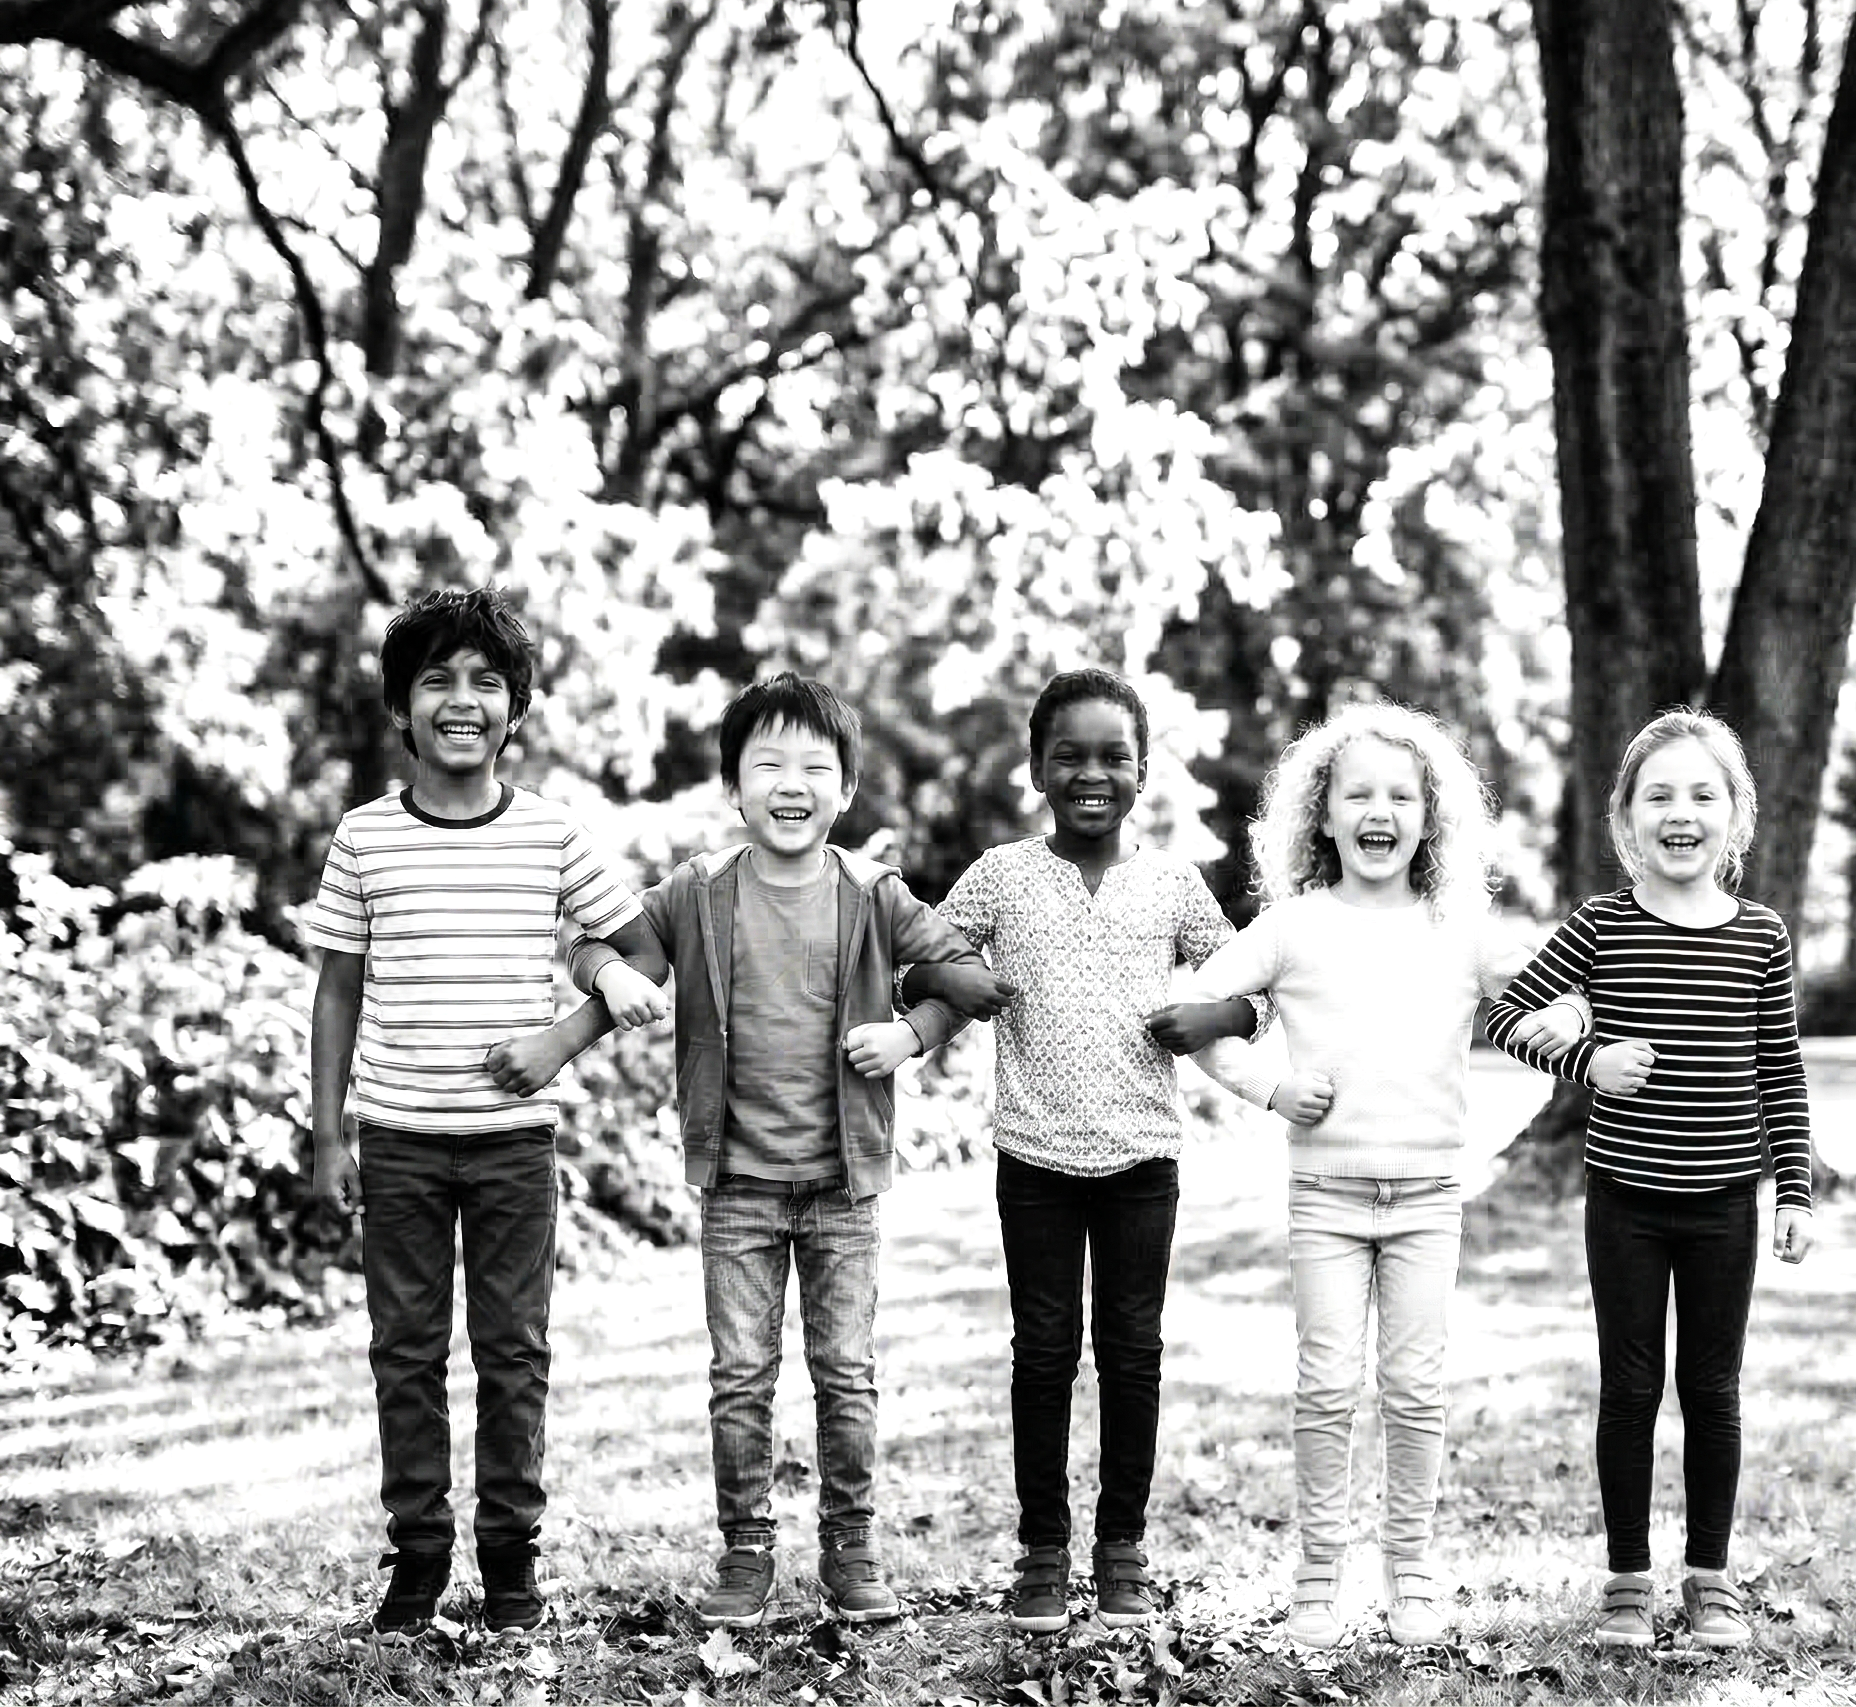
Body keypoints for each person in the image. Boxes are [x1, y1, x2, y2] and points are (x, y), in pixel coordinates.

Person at [561, 673, 1006, 1629]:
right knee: (739, 1377)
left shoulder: (872, 894)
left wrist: (910, 1034)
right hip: (738, 1185)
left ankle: (851, 1549)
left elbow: (973, 978)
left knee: (845, 1372)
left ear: (845, 789)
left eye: (814, 765)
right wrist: (607, 974)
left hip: (844, 1184)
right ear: (735, 788)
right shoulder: (697, 892)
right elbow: (598, 941)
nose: (790, 782)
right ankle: (746, 1550)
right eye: (767, 763)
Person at [1149, 700, 1586, 1652]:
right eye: (1359, 794)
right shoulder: (1292, 926)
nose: (1379, 810)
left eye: (1401, 794)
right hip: (1326, 1199)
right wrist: (1270, 1085)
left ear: (1430, 818)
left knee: (1418, 1390)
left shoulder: (1460, 927)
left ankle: (1413, 1573)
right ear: (1325, 815)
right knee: (1325, 1386)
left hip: (1431, 1198)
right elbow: (1189, 1010)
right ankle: (1317, 1580)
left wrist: (1578, 1020)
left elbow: (1544, 998)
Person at [306, 586, 671, 1640]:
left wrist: (562, 1036)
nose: (460, 700)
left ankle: (512, 1564)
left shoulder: (551, 833)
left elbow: (640, 950)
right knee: (405, 1352)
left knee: (513, 1352)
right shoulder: (366, 838)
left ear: (517, 709)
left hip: (515, 1147)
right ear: (398, 706)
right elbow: (337, 986)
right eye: (436, 680)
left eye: (485, 683)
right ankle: (417, 1560)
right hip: (401, 1139)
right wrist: (330, 1133)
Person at [892, 668, 1266, 1636]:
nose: (1090, 772)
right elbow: (912, 956)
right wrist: (954, 977)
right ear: (1035, 767)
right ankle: (1043, 1551)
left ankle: (1123, 1546)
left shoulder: (1171, 883)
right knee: (1044, 1352)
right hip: (1035, 1158)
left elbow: (1249, 981)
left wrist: (1214, 1010)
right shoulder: (1001, 874)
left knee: (1131, 1351)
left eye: (1112, 755)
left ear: (1141, 771)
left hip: (1142, 1158)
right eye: (1069, 754)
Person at [1483, 709, 1812, 1653]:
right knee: (1630, 1388)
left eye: (1703, 794)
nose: (1682, 811)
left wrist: (1792, 1189)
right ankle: (1628, 1580)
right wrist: (1586, 1060)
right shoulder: (1600, 925)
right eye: (1658, 794)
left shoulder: (1761, 935)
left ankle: (1711, 1580)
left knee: (1713, 1389)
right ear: (1625, 820)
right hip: (1624, 1205)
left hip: (1724, 1209)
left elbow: (1780, 1073)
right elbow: (1504, 1015)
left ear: (1735, 817)